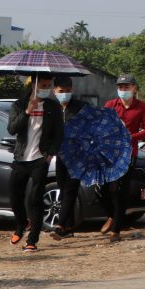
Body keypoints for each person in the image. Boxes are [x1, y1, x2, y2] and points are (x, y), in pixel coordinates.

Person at [7, 74, 63, 252]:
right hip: (21, 158)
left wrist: (50, 154)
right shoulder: (19, 104)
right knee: (15, 197)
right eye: (42, 85)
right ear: (34, 86)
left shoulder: (53, 107)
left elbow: (58, 135)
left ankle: (32, 240)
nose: (45, 89)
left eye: (48, 85)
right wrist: (27, 111)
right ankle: (21, 224)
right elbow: (12, 129)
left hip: (40, 158)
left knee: (35, 198)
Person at [101, 74, 145, 242]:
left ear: (134, 88)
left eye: (127, 87)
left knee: (119, 190)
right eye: (121, 87)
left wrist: (131, 136)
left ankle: (116, 230)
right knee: (104, 188)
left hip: (128, 153)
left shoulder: (142, 107)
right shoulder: (111, 105)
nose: (123, 90)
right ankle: (111, 215)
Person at [50, 76, 88, 239]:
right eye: (60, 91)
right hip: (60, 155)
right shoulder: (51, 108)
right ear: (54, 91)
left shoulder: (81, 107)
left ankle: (60, 224)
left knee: (71, 190)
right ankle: (69, 227)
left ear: (72, 90)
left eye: (67, 91)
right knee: (63, 188)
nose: (64, 94)